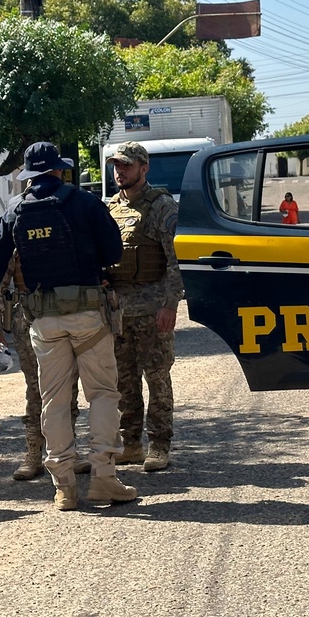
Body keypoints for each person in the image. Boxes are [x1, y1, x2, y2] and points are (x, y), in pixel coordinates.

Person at [0, 142, 136, 511]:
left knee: (52, 400)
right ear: (60, 170)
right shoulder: (85, 203)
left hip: (42, 320)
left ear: (30, 175)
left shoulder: (15, 210)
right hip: (87, 316)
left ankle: (64, 487)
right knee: (101, 394)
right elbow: (114, 254)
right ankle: (104, 479)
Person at [104, 141, 184, 473]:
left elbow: (175, 260)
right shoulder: (110, 208)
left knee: (157, 379)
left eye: (126, 165)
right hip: (119, 312)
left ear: (143, 168)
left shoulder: (162, 207)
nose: (119, 171)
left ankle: (160, 446)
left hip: (153, 311)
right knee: (124, 382)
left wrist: (170, 304)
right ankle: (132, 444)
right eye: (116, 165)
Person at [0, 256, 86, 481]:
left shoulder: (67, 224)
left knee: (68, 387)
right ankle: (33, 453)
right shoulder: (17, 228)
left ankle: (69, 450)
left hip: (66, 314)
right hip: (29, 320)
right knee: (36, 389)